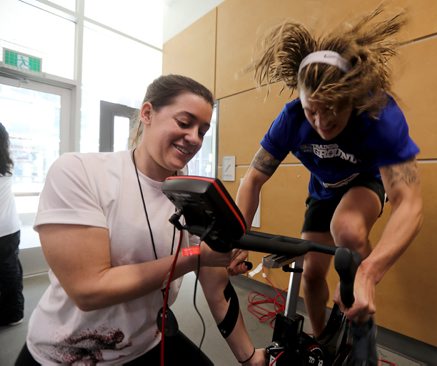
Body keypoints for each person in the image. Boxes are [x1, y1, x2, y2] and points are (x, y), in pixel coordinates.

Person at [15, 75, 265, 365]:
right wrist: (195, 257)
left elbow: (215, 284)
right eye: (184, 123)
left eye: (203, 131)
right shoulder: (79, 172)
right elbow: (89, 289)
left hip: (147, 341)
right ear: (147, 113)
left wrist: (248, 357)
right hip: (66, 354)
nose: (195, 138)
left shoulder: (193, 196)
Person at [233, 6, 423, 343]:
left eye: (333, 109)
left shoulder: (379, 114)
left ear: (351, 97)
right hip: (322, 190)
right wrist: (237, 236)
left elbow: (409, 204)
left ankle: (360, 314)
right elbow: (253, 179)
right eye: (312, 111)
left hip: (364, 183)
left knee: (346, 227)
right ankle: (323, 343)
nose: (321, 121)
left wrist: (369, 271)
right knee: (311, 273)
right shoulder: (291, 119)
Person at [0, 122, 24, 327]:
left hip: (7, 229)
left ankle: (12, 312)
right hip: (10, 228)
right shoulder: (8, 164)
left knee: (8, 271)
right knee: (10, 270)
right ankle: (15, 313)